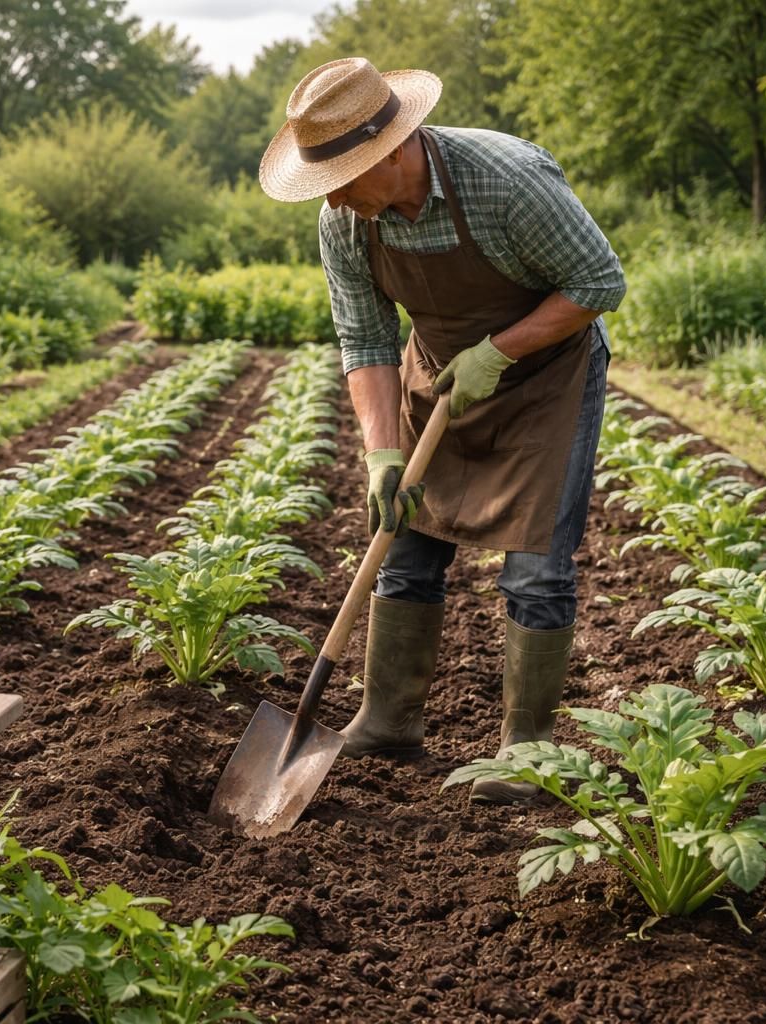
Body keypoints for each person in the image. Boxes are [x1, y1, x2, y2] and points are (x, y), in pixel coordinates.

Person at [258, 57, 625, 804]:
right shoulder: (346, 222)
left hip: (545, 379)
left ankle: (526, 750)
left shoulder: (507, 180)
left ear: (394, 151)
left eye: (345, 177)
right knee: (404, 546)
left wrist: (499, 351)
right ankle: (387, 719)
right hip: (438, 374)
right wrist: (383, 453)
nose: (333, 198)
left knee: (537, 568)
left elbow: (599, 282)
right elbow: (363, 339)